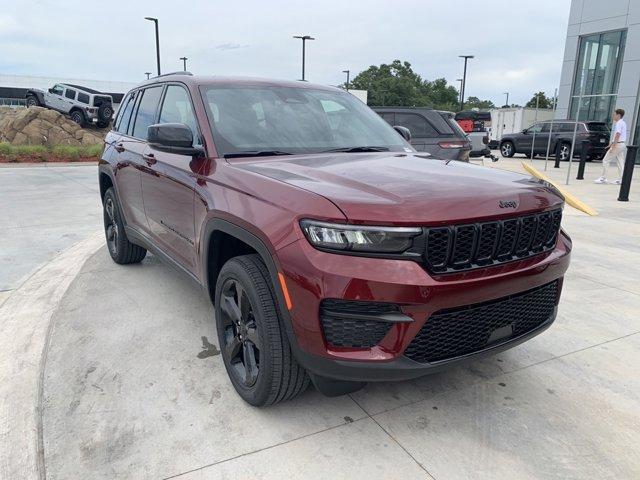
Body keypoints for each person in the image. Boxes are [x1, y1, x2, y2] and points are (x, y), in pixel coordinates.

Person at [594, 108, 627, 184]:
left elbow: (618, 134)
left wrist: (613, 146)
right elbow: (619, 135)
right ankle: (622, 179)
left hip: (618, 145)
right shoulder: (623, 123)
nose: (613, 116)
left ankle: (603, 178)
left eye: (614, 114)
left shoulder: (618, 123)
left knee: (605, 160)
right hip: (622, 144)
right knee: (620, 162)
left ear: (618, 115)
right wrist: (611, 144)